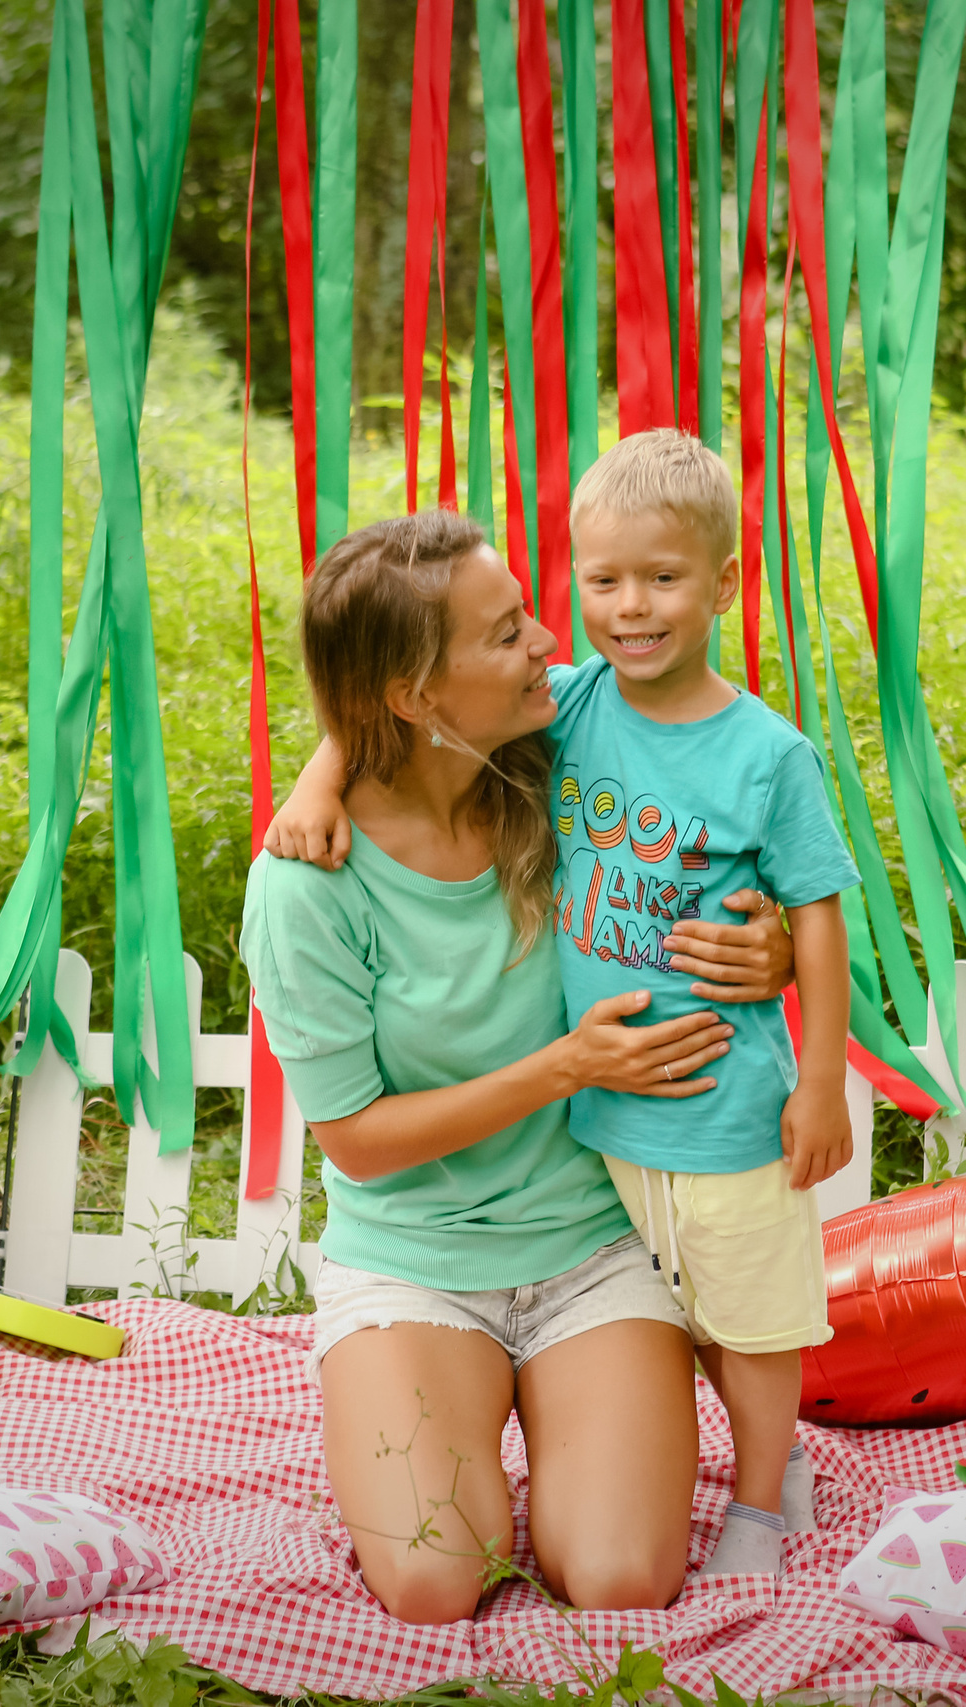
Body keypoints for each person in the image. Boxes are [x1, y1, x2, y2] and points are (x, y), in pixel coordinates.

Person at [267, 432, 861, 1579]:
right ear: (420, 694)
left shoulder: (547, 757)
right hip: (417, 1256)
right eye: (508, 632)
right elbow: (353, 1142)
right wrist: (567, 1067)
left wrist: (772, 952)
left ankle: (721, 1472)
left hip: (593, 1240)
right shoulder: (313, 881)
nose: (554, 638)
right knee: (441, 1574)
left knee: (623, 1580)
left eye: (532, 611)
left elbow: (724, 847)